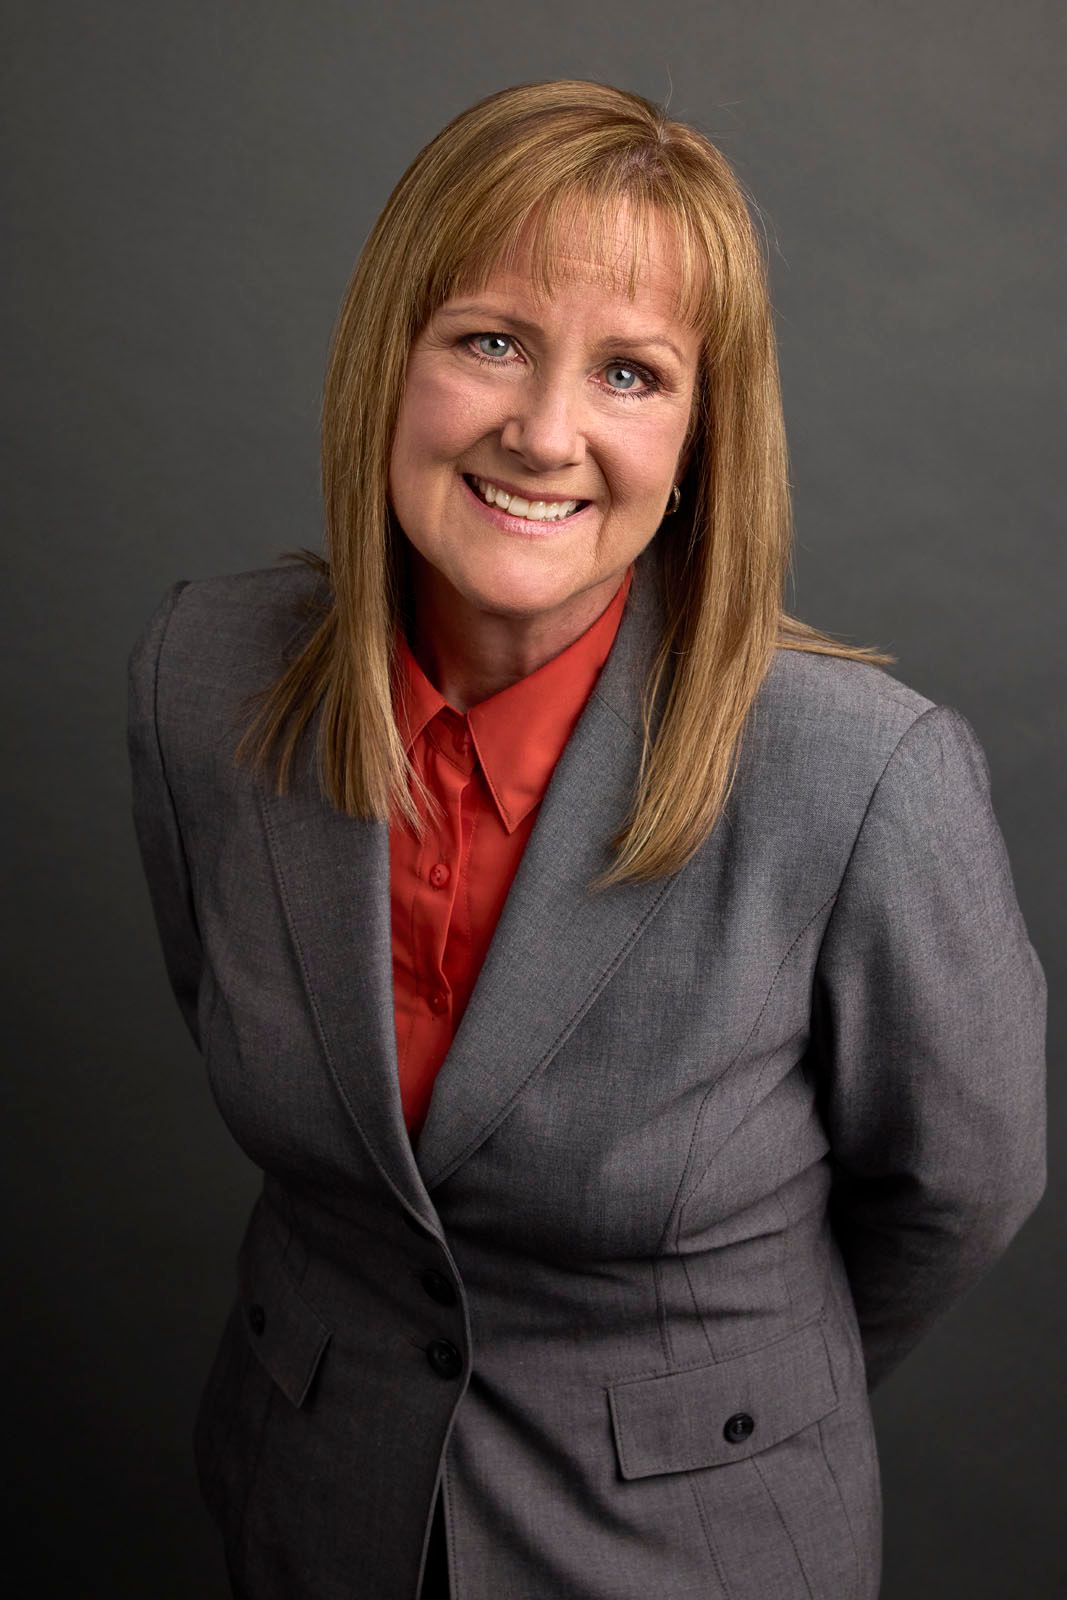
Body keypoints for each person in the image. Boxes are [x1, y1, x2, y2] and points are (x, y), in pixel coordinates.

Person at [126, 80, 1047, 1600]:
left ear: (698, 440)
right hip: (305, 1510)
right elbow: (235, 1027)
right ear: (390, 365)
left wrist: (707, 1418)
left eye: (632, 373)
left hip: (684, 1547)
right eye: (489, 339)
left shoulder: (866, 779)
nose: (544, 432)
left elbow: (962, 1193)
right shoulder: (202, 679)